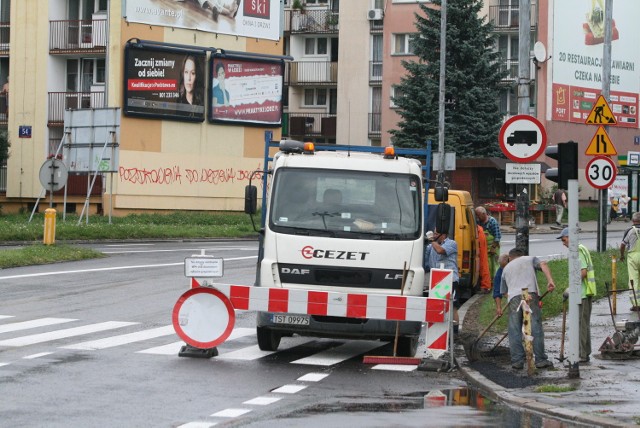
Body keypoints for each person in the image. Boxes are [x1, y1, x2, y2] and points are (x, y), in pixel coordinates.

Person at [500, 248, 555, 369]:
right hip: (530, 293)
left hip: (514, 297)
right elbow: (543, 264)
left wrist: (515, 297)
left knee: (514, 329)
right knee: (535, 325)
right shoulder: (530, 259)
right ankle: (540, 360)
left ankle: (517, 361)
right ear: (522, 255)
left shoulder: (506, 269)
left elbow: (504, 292)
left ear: (510, 257)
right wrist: (550, 280)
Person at [557, 227, 595, 363]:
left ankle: (582, 355)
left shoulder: (578, 250)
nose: (563, 243)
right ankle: (584, 352)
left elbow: (583, 272)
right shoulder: (581, 248)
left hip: (583, 293)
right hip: (581, 292)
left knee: (581, 325)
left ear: (570, 238)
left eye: (564, 239)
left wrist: (570, 287)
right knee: (582, 324)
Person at [425, 229, 460, 334]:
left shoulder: (451, 243)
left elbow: (440, 250)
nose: (434, 235)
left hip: (450, 279)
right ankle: (438, 330)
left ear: (443, 234)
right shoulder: (431, 246)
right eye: (433, 234)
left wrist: (432, 241)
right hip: (436, 280)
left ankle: (454, 332)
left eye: (436, 234)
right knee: (437, 305)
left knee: (452, 305)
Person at [475, 206, 501, 280]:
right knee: (487, 266)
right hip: (485, 248)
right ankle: (488, 281)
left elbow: (497, 237)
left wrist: (493, 248)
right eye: (476, 215)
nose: (477, 217)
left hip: (493, 247)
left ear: (484, 213)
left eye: (478, 215)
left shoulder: (492, 221)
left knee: (494, 266)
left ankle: (495, 281)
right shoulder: (479, 222)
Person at [620, 212, 640, 307]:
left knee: (633, 280)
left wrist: (622, 255)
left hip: (632, 257)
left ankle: (636, 304)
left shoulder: (629, 230)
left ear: (633, 221)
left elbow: (622, 245)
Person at [477, 224, 491, 293]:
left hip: (481, 249)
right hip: (482, 249)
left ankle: (485, 286)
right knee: (484, 264)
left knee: (483, 265)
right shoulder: (480, 229)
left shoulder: (479, 231)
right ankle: (486, 286)